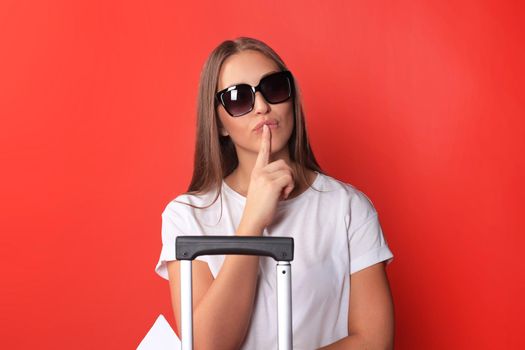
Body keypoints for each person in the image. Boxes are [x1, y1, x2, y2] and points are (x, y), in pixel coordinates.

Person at [155, 37, 395, 350]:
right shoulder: (188, 215)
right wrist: (252, 222)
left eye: (274, 87)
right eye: (239, 98)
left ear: (292, 100)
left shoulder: (347, 208)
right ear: (220, 123)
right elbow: (205, 346)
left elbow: (375, 341)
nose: (262, 106)